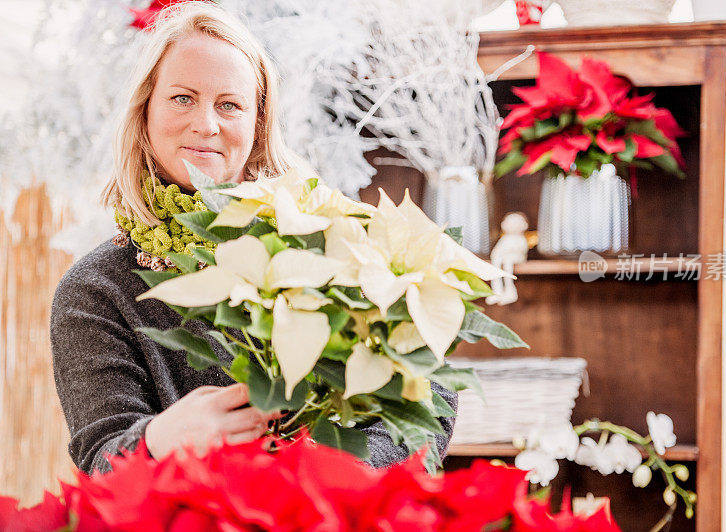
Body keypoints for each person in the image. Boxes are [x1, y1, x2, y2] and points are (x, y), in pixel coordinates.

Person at [51, 1, 457, 475]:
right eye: (183, 98)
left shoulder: (329, 241)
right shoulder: (96, 289)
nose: (206, 124)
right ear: (145, 112)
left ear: (257, 126)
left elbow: (428, 401)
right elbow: (101, 460)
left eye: (230, 105)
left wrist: (334, 479)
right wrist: (162, 439)